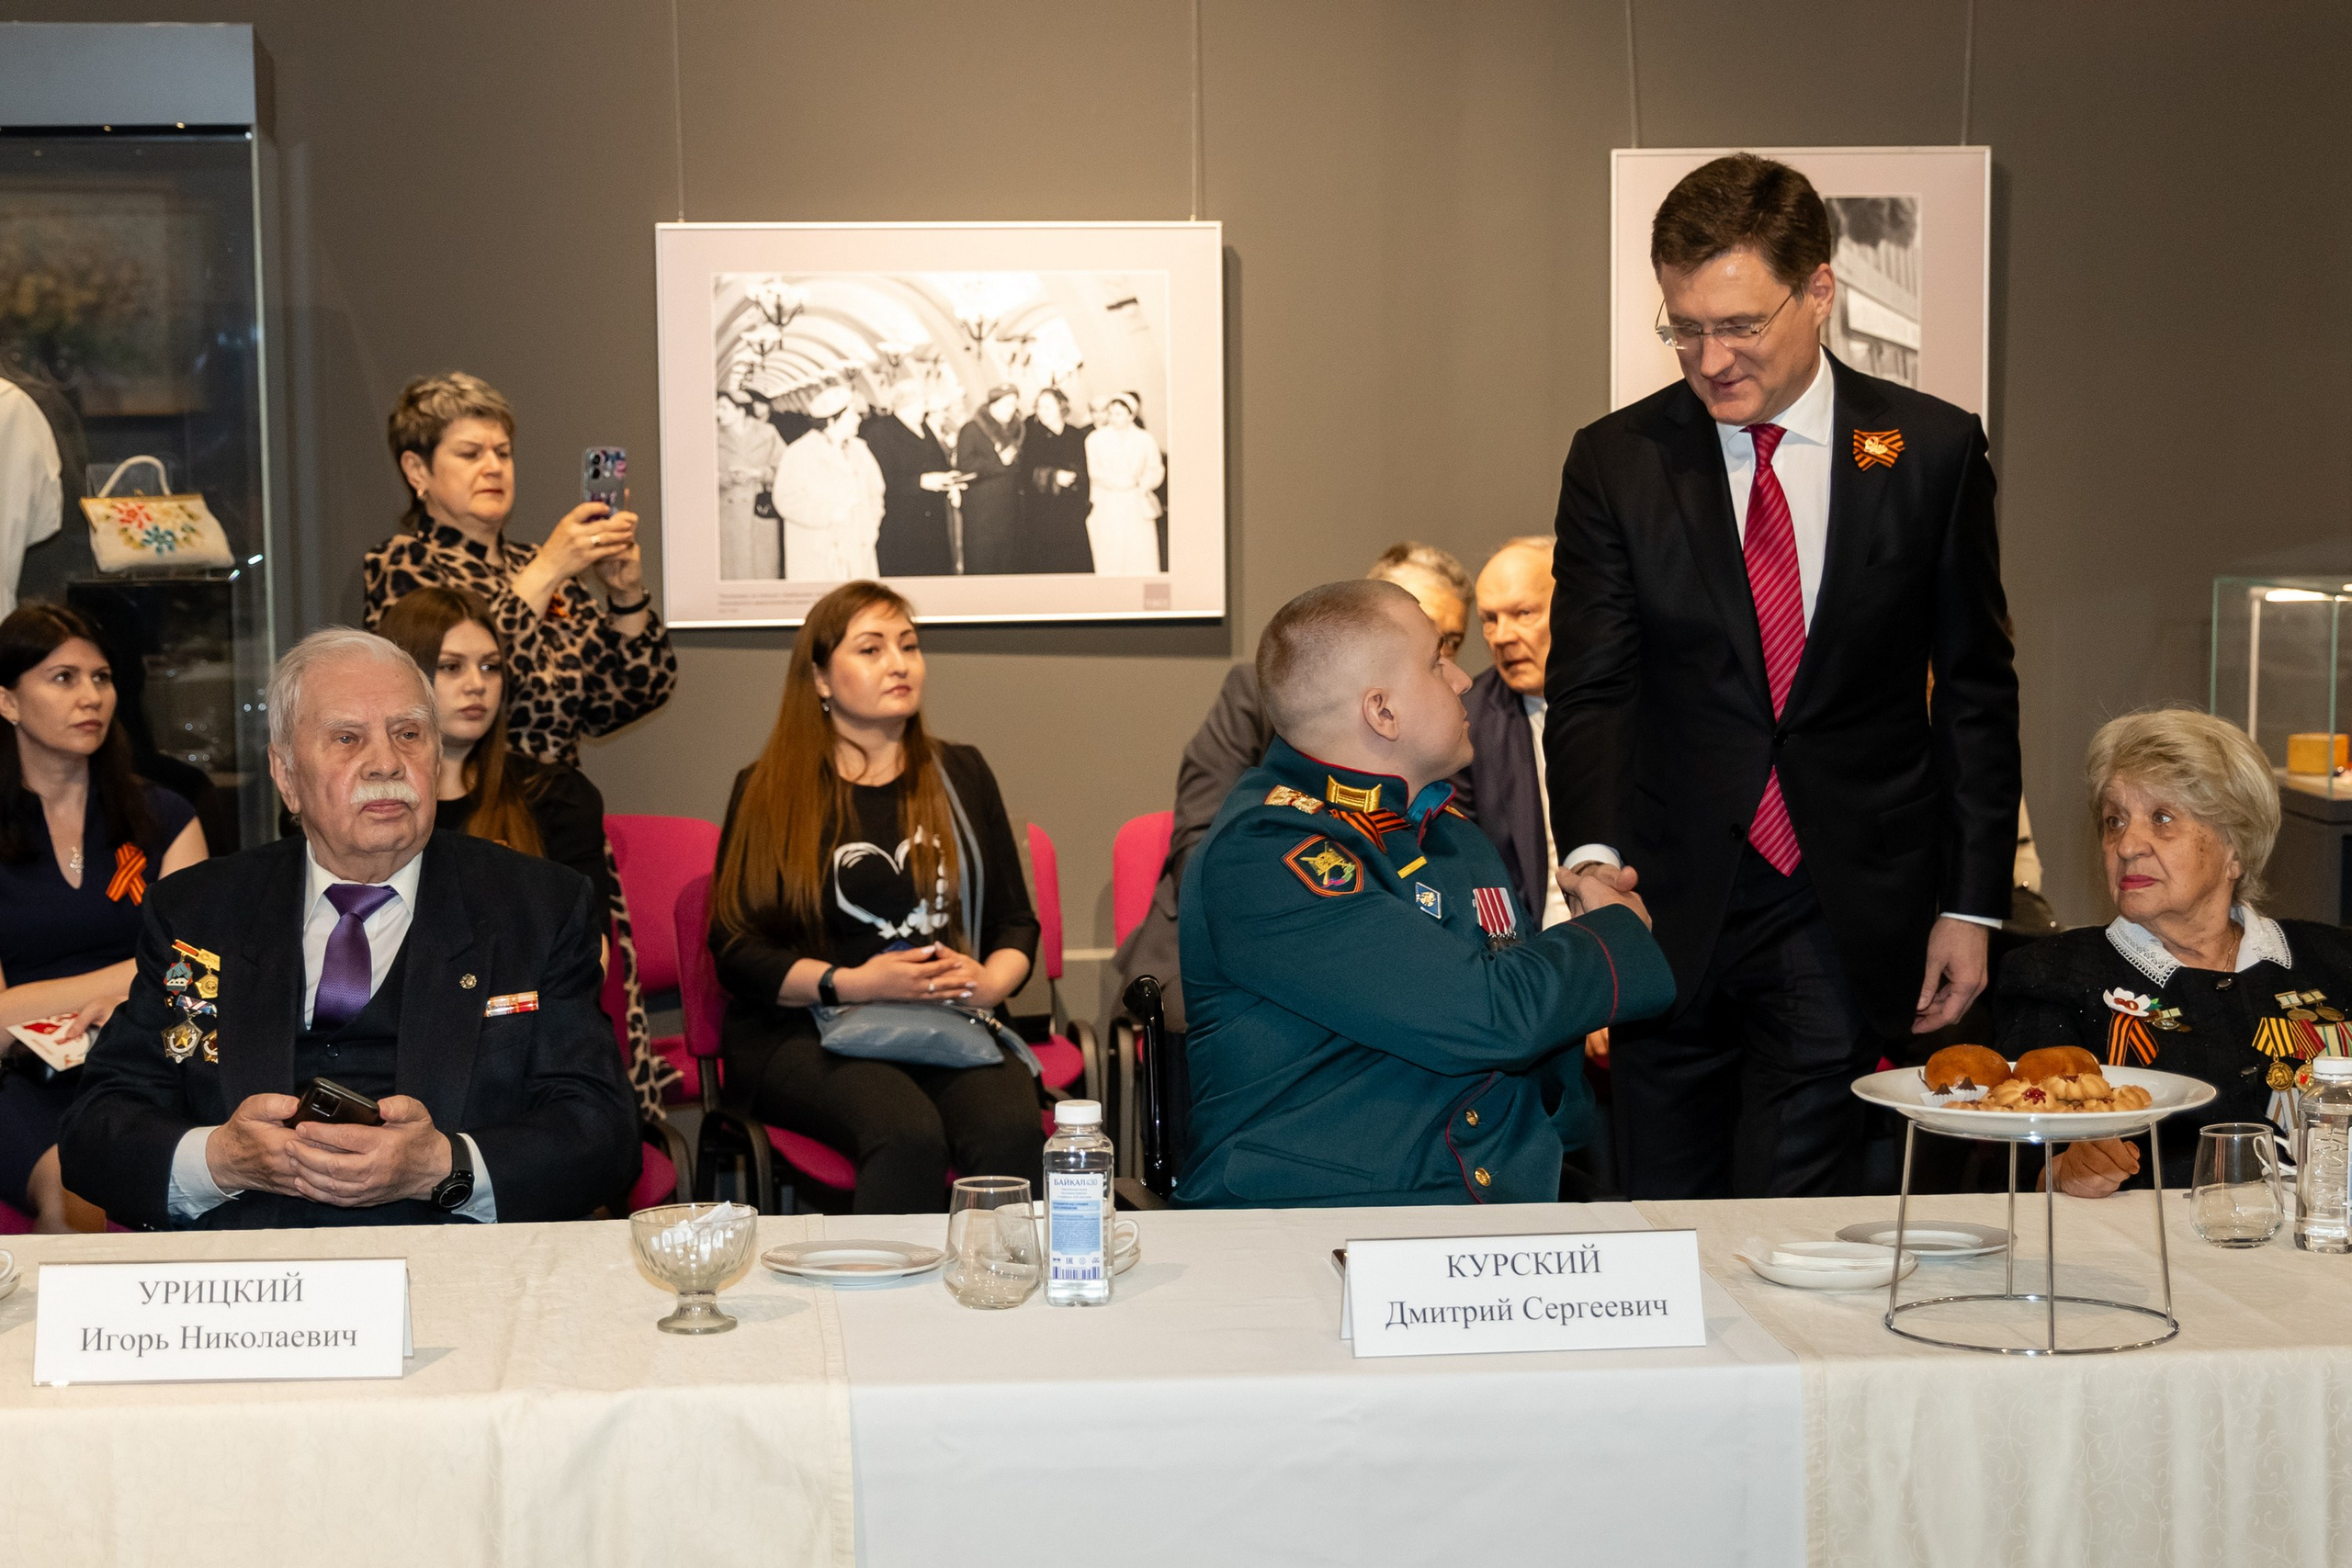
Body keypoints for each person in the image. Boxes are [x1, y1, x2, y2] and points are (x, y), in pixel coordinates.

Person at [1546, 152, 2020, 1201]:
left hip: (1841, 896)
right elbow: (1591, 688)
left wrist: (1972, 904)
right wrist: (1589, 857)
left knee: (1795, 1213)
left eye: (1738, 325)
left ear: (1817, 292)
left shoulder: (1930, 451)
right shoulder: (1617, 463)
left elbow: (1977, 691)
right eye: (1683, 327)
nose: (1709, 359)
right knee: (1666, 1211)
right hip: (1666, 905)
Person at [58, 627, 639, 1230]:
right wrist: (225, 1159)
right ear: (285, 774)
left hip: (456, 1269)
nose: (386, 762)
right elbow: (98, 1130)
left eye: (408, 734)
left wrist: (443, 1164)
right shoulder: (199, 912)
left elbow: (601, 1131)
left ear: (435, 759)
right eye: (347, 737)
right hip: (252, 1279)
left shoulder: (535, 908)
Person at [1174, 580, 1673, 1207]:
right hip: (1315, 1223)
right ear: (1382, 711)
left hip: (1474, 1212)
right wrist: (1608, 934)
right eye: (1437, 661)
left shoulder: (1453, 837)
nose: (1464, 679)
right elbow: (1484, 1012)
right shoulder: (1266, 849)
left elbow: (1544, 1080)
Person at [708, 581, 1044, 1213]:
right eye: (871, 648)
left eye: (909, 645)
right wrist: (856, 982)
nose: (899, 662)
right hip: (804, 1030)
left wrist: (991, 983)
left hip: (948, 1020)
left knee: (1012, 1128)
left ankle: (1000, 1295)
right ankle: (885, 1310)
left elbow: (1014, 919)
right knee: (906, 1133)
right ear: (821, 678)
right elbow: (735, 949)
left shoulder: (961, 772)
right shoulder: (767, 789)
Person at [1111, 543, 1476, 1030]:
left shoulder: (1455, 726)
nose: (1446, 658)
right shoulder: (1260, 693)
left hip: (1404, 944)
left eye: (1450, 639)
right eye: (1424, 633)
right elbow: (1201, 839)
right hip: (1237, 935)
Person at [1995, 710, 2352, 1196]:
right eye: (2114, 821)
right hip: (2144, 1259)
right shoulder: (2053, 976)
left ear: (2236, 850)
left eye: (2162, 819)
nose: (2127, 845)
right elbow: (2013, 1167)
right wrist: (2064, 1173)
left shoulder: (2335, 961)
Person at [0, 604, 207, 1230]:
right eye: (63, 677)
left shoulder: (165, 815)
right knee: (74, 1199)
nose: (90, 695)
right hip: (21, 1081)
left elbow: (198, 977)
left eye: (102, 677)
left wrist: (143, 993)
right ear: (8, 701)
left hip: (143, 1054)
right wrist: (142, 975)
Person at [364, 371, 677, 769]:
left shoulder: (538, 564)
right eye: (470, 453)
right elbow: (428, 692)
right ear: (417, 470)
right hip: (466, 802)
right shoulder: (403, 561)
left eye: (503, 452)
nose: (494, 467)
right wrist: (549, 568)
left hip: (560, 802)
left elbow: (621, 701)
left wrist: (626, 596)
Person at [374, 586, 616, 917]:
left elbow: (590, 951)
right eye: (451, 666)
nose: (476, 684)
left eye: (490, 667)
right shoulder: (356, 800)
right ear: (400, 678)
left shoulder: (556, 796)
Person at [1451, 537, 1564, 929]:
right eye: (1489, 619)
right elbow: (1468, 868)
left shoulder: (1641, 698)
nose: (1501, 637)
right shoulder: (1467, 720)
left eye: (1523, 613)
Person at [773, 385, 886, 582]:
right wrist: (828, 515)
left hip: (859, 545)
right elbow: (785, 499)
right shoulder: (799, 453)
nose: (858, 419)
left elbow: (876, 491)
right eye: (852, 415)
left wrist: (871, 525)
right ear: (833, 420)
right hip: (819, 547)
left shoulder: (860, 450)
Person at [863, 378, 960, 577]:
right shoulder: (881, 433)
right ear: (909, 403)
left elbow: (937, 462)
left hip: (932, 518)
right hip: (902, 522)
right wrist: (920, 482)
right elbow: (879, 480)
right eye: (923, 402)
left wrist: (949, 477)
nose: (925, 408)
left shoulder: (924, 429)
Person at [1082, 393, 1166, 576]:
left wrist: (1141, 483)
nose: (1113, 418)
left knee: (1139, 555)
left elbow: (1156, 469)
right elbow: (1093, 471)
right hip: (1106, 502)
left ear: (1131, 416)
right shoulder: (1095, 439)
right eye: (1110, 413)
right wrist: (1118, 482)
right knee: (1109, 554)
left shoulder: (1145, 439)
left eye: (1119, 414)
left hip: (1136, 502)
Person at [1018, 387, 1093, 573]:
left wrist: (1076, 477)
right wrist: (1053, 476)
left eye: (1047, 407)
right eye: (1039, 407)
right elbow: (1024, 471)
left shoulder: (1075, 435)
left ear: (1061, 407)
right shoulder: (1030, 436)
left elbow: (1086, 468)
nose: (1042, 412)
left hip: (1072, 510)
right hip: (1043, 512)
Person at [955, 384, 1027, 575]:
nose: (1011, 409)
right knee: (982, 564)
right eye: (1007, 404)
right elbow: (965, 465)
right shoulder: (971, 429)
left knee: (1007, 564)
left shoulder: (1017, 431)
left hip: (1008, 511)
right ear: (992, 405)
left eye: (1014, 405)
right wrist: (998, 462)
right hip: (981, 513)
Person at [717, 391, 785, 580]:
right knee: (732, 570)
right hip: (726, 514)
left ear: (740, 410)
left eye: (723, 407)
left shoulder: (768, 433)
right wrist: (725, 477)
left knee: (762, 568)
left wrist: (758, 474)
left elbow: (785, 469)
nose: (717, 412)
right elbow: (699, 475)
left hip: (759, 510)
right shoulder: (712, 437)